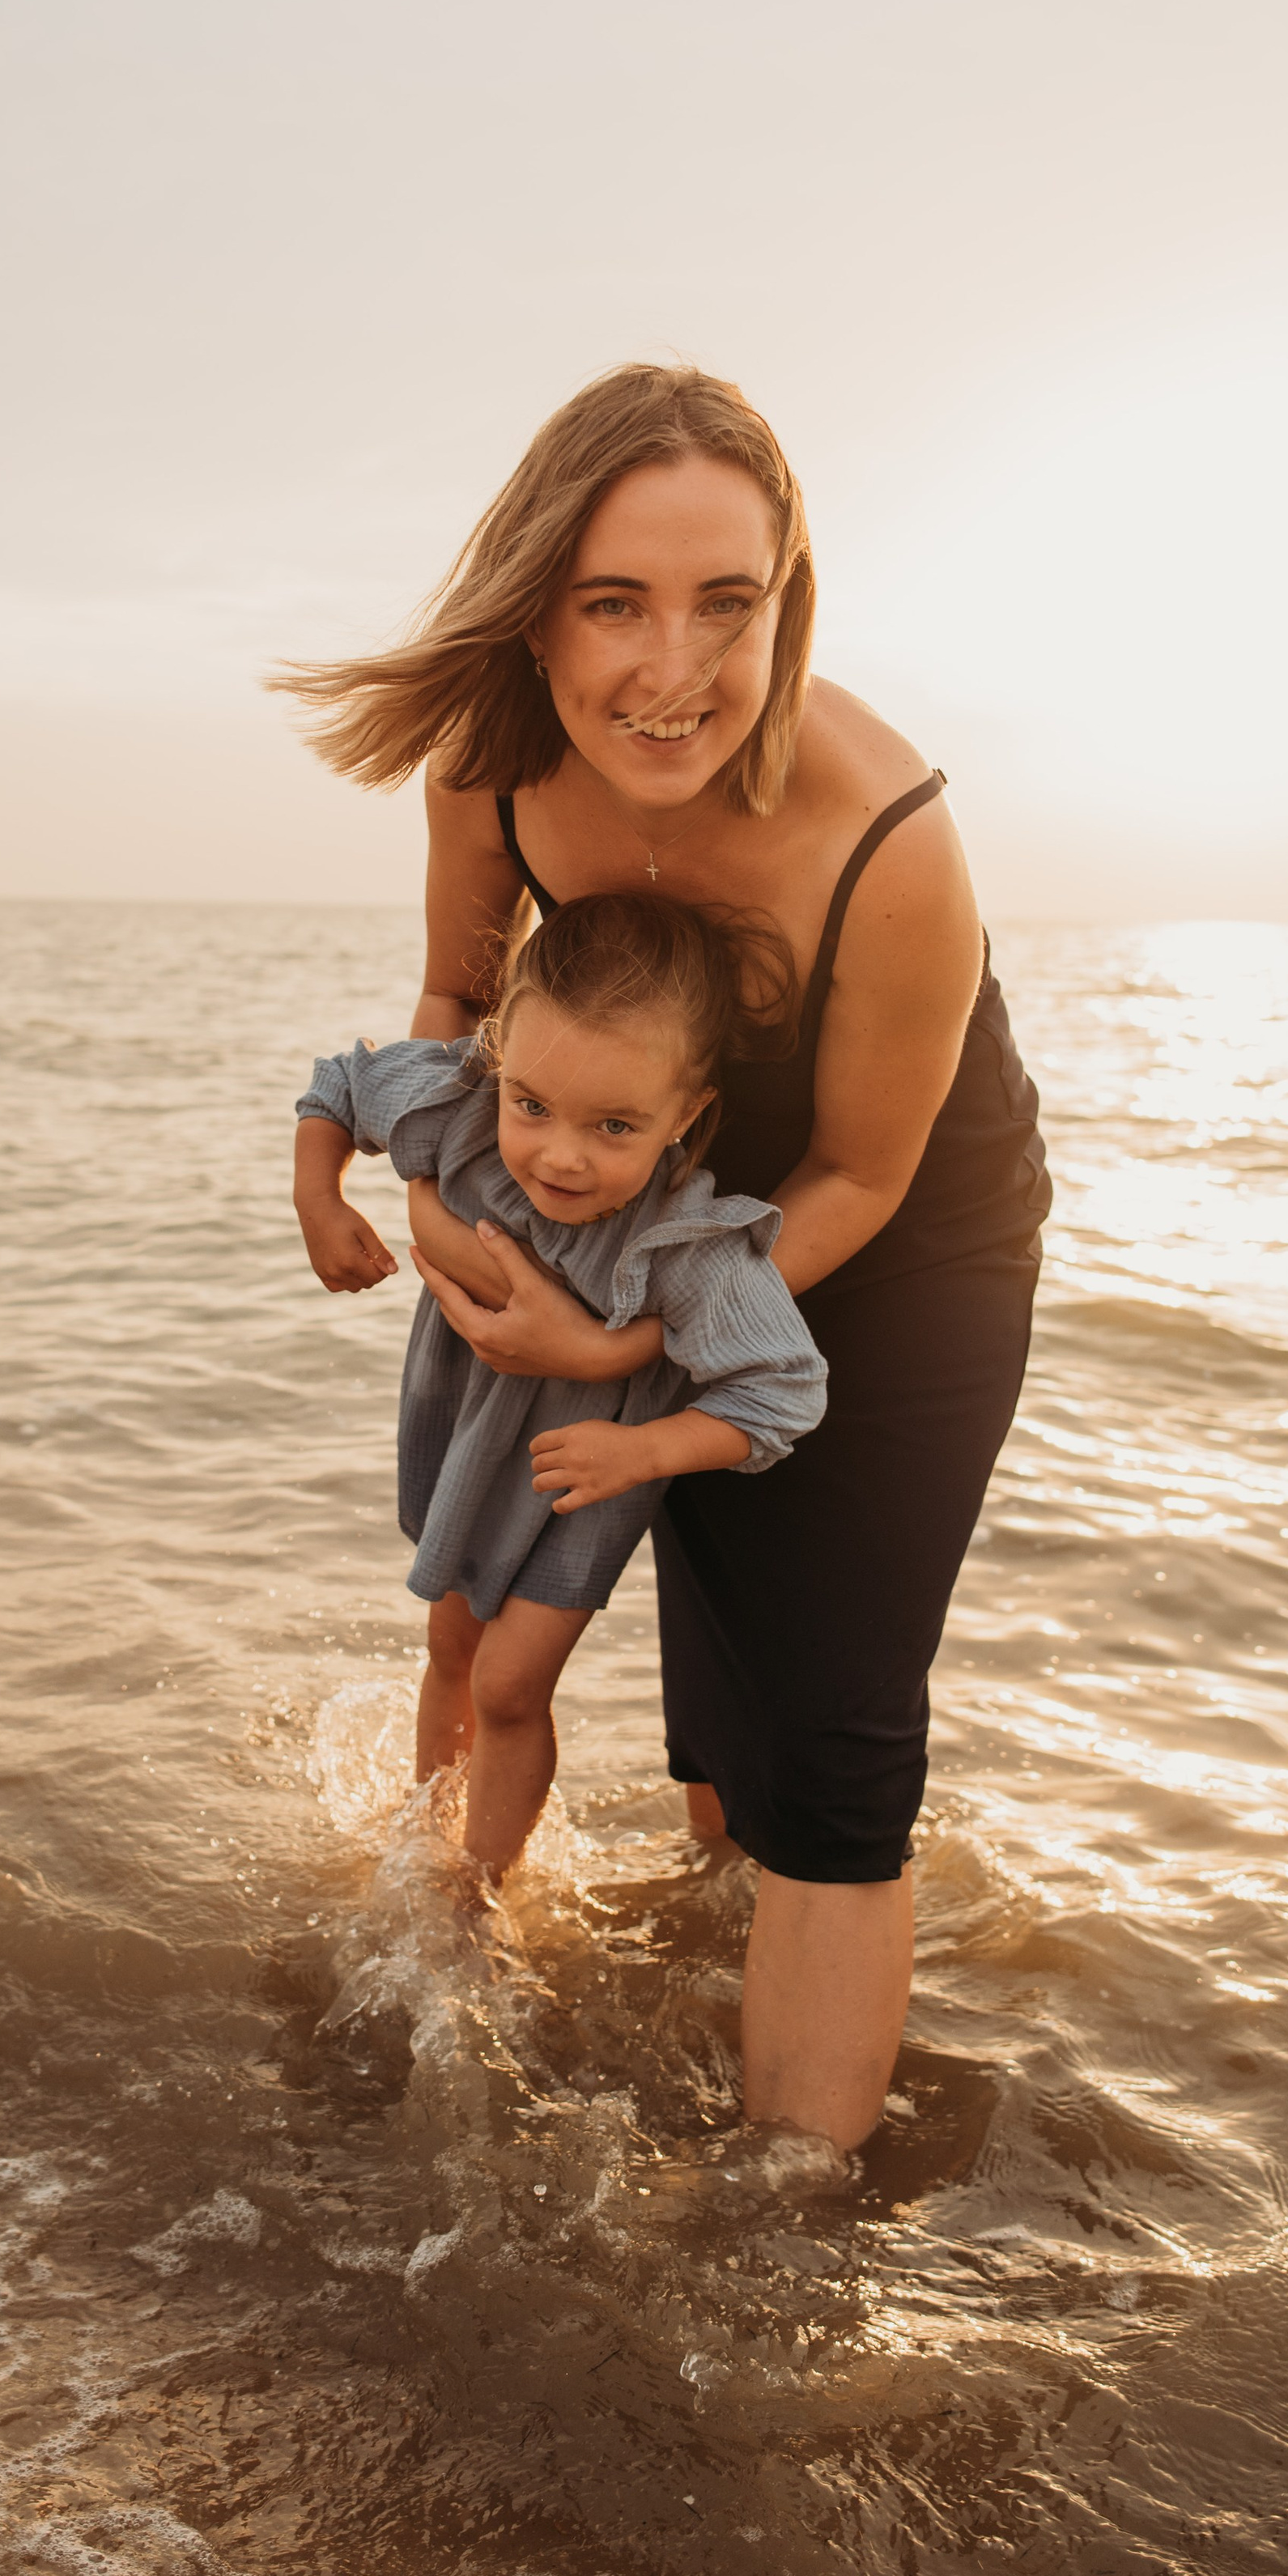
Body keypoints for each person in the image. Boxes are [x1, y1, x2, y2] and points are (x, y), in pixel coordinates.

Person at [273, 363, 1050, 2149]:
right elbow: (457, 1010)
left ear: (791, 601)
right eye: (613, 602)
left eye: (728, 604)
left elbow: (858, 1168)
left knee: (834, 1724)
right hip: (636, 1183)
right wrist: (442, 1210)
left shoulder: (887, 840)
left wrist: (628, 1346)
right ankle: (637, 1954)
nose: (671, 668)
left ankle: (785, 2244)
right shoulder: (491, 760)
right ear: (536, 603)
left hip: (900, 1234)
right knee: (712, 1676)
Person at [293, 890, 827, 1876]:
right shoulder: (456, 1108)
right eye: (530, 1104)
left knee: (506, 1686)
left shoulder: (687, 1244)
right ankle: (426, 1846)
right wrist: (317, 1198)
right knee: (451, 1646)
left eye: (615, 1125)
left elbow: (781, 1391)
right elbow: (339, 1086)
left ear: (689, 1111)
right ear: (498, 1062)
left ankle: (479, 1896)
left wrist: (644, 1451)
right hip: (464, 1430)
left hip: (579, 1477)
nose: (560, 1154)